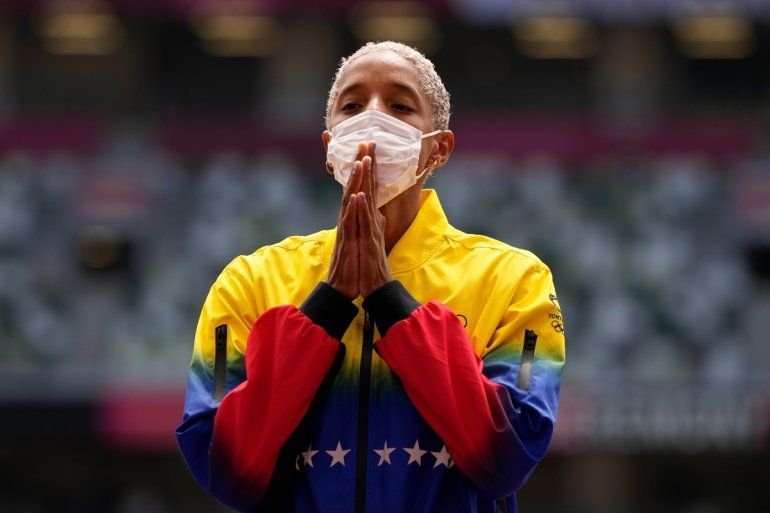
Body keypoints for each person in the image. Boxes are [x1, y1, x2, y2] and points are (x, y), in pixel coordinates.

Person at [175, 41, 566, 513]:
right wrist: (327, 306)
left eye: (400, 105)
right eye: (352, 105)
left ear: (438, 148)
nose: (372, 120)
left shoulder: (514, 279)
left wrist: (390, 300)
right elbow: (220, 464)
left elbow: (509, 454)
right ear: (328, 145)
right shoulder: (248, 281)